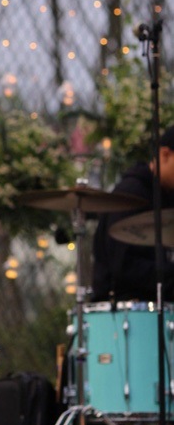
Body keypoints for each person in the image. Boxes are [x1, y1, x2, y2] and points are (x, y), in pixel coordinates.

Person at [92, 126, 174, 302]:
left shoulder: (168, 196)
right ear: (165, 155)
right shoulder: (132, 194)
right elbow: (124, 265)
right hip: (126, 312)